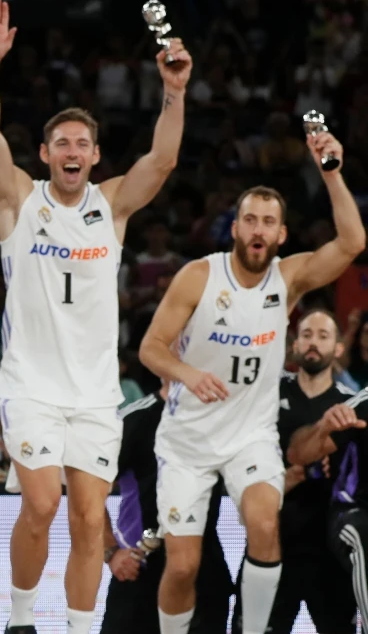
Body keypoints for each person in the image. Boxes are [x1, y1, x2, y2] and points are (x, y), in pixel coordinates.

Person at [0, 0, 192, 633]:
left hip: (96, 395)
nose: (72, 150)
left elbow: (164, 161)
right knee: (40, 503)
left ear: (95, 156)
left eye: (83, 143)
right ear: (44, 154)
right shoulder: (19, 199)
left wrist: (174, 93)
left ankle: (75, 628)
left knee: (90, 520)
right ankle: (20, 620)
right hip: (31, 386)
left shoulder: (112, 205)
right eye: (61, 142)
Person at [139, 130, 364, 634]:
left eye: (268, 221)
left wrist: (331, 172)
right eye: (250, 220)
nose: (258, 229)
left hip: (250, 437)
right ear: (235, 228)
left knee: (264, 524)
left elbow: (352, 242)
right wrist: (187, 373)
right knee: (182, 566)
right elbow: (150, 348)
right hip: (188, 440)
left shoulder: (288, 279)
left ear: (281, 234)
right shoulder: (198, 276)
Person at [229, 310, 358, 633]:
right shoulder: (264, 397)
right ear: (294, 344)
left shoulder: (351, 407)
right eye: (307, 334)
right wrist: (289, 475)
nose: (313, 342)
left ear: (339, 349)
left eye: (323, 336)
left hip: (330, 558)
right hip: (270, 547)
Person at [99, 385, 232, 634]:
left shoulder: (221, 417)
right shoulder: (135, 419)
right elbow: (86, 494)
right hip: (139, 571)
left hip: (204, 573)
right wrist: (111, 551)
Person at [285, 371, 368, 619]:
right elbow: (298, 455)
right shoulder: (363, 403)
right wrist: (324, 427)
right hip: (357, 512)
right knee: (364, 536)